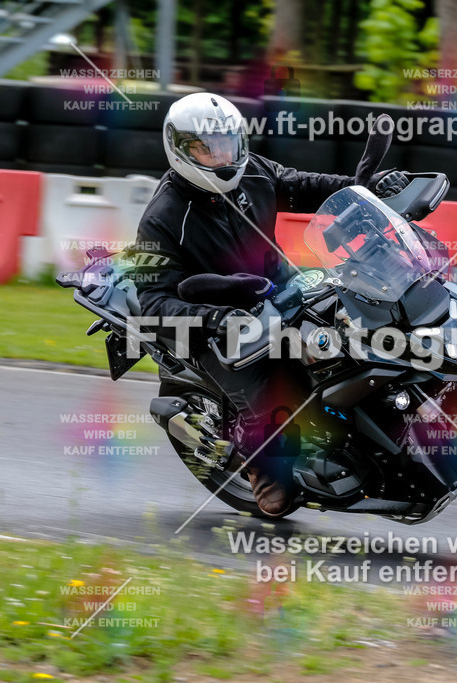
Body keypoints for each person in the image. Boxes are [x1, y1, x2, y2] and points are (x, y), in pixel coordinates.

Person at [130, 93, 407, 517]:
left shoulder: (255, 172)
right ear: (180, 149)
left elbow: (304, 186)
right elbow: (152, 303)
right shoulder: (162, 217)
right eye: (207, 148)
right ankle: (264, 469)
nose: (222, 157)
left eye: (228, 144)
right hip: (214, 326)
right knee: (269, 390)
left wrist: (364, 188)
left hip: (280, 289)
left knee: (358, 334)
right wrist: (216, 318)